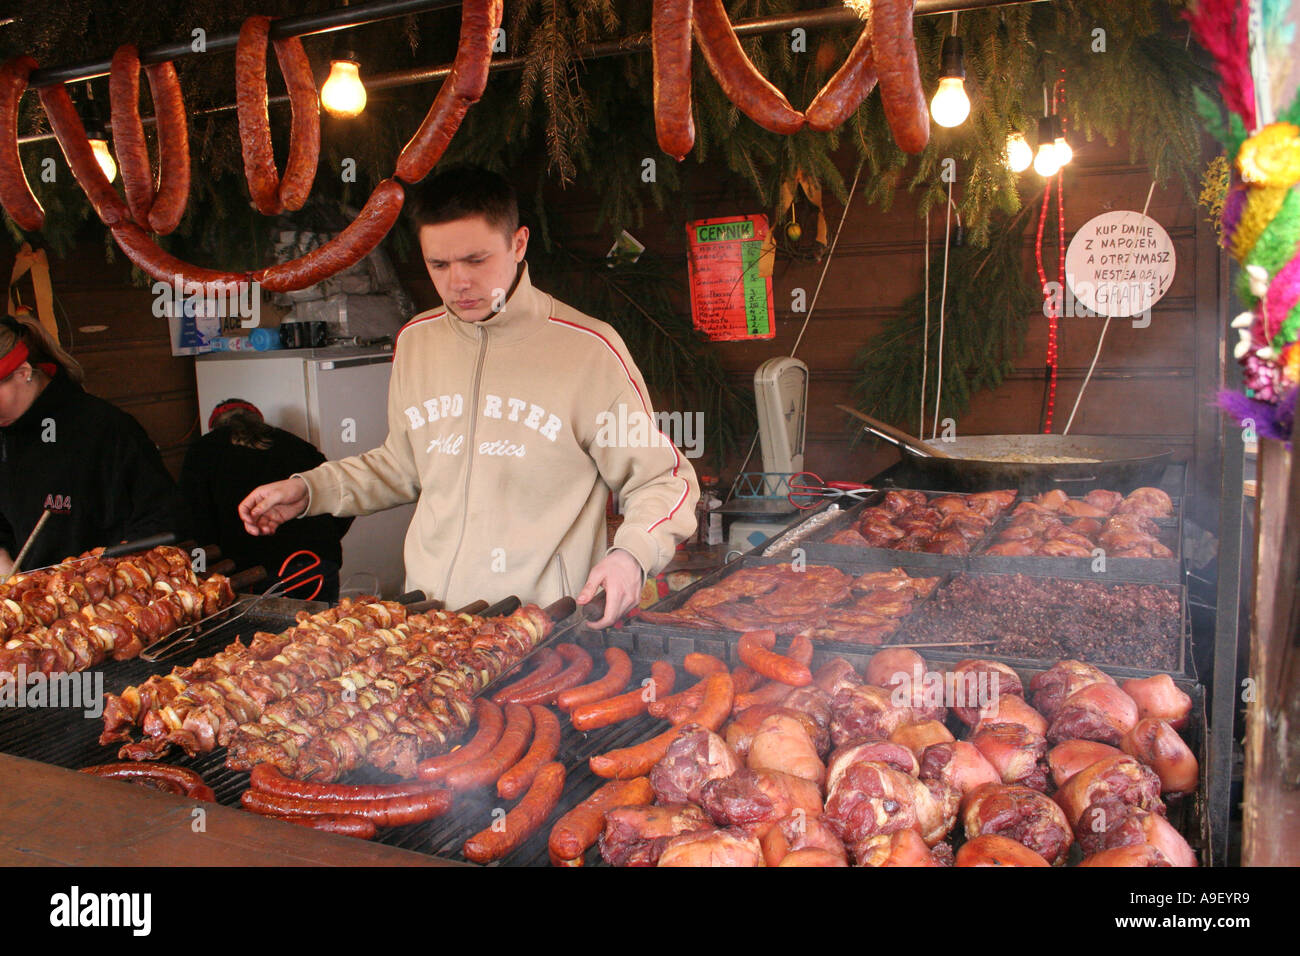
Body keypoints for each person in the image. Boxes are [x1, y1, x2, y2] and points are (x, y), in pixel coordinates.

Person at [239, 166, 699, 626]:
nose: (457, 283)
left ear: (518, 244)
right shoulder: (417, 342)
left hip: (543, 627)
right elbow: (403, 466)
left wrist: (631, 555)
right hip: (429, 621)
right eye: (439, 265)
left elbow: (662, 480)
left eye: (476, 260)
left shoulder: (589, 351)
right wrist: (308, 490)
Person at [0, 313, 184, 575]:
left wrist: (103, 575)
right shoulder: (5, 433)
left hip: (104, 599)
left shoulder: (104, 428)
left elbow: (162, 516)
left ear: (23, 372)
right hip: (33, 598)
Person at [180, 399, 353, 603]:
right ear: (259, 420)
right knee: (322, 631)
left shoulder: (202, 452)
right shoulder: (297, 445)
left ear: (214, 428)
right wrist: (325, 540)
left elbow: (194, 522)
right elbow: (342, 499)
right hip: (316, 566)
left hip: (250, 575)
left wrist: (199, 573)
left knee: (265, 635)